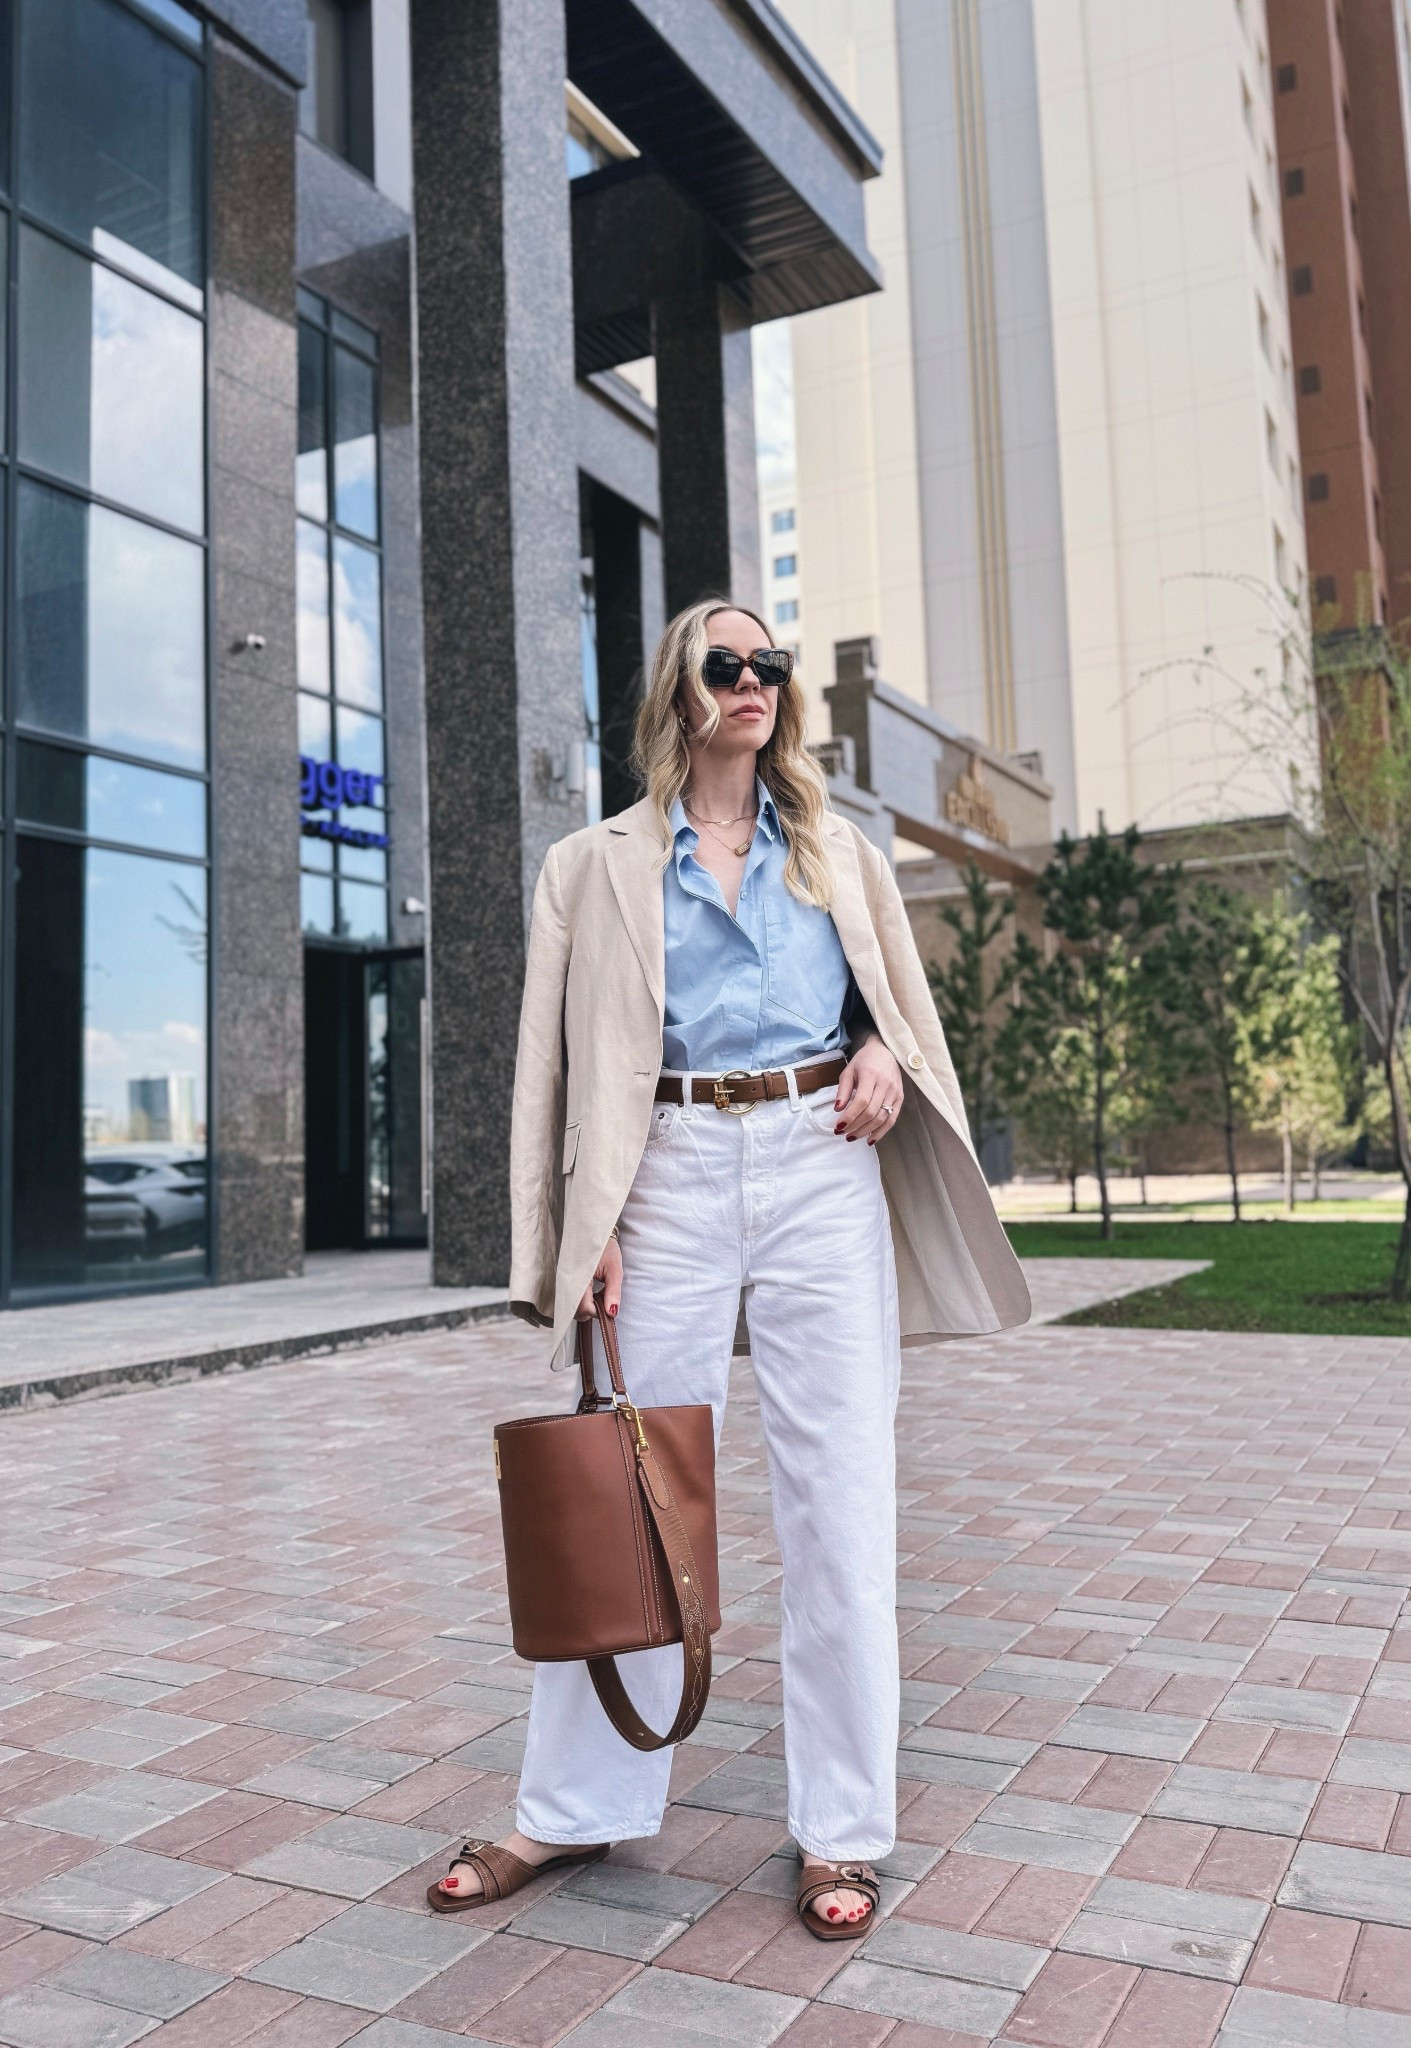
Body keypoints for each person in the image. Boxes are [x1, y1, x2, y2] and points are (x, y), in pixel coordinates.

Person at [427, 599, 1029, 1938]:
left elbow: (898, 1022)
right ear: (681, 690)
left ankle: (842, 1833)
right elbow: (552, 1074)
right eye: (725, 663)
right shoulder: (593, 867)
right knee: (621, 1492)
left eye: (770, 665)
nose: (752, 681)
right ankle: (572, 1812)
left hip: (823, 1163)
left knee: (840, 1503)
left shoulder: (841, 853)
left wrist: (880, 1057)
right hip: (671, 1177)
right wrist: (579, 1234)